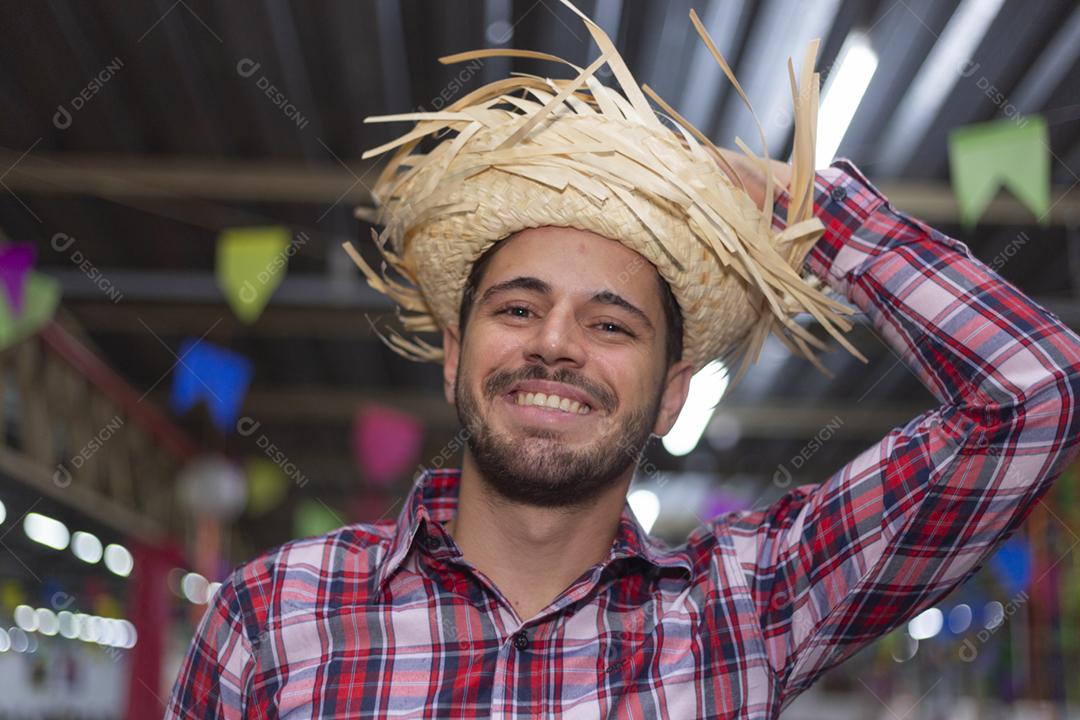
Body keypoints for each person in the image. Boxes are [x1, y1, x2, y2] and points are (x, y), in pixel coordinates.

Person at [165, 4, 1080, 719]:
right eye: (518, 309)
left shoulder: (750, 610)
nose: (555, 343)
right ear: (453, 355)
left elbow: (1034, 392)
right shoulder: (274, 617)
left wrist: (814, 213)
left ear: (673, 395)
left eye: (611, 325)